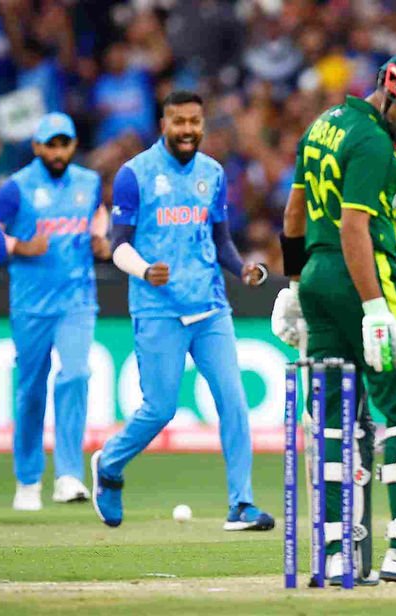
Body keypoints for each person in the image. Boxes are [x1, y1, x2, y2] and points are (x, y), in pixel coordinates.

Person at [270, 51, 396, 586]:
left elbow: (293, 216)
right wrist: (376, 309)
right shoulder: (374, 144)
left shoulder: (323, 127)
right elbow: (354, 229)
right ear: (395, 89)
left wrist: (294, 286)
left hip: (314, 278)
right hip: (367, 277)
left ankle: (339, 556)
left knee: (336, 419)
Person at [91, 91, 274, 531]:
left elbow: (220, 239)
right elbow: (118, 245)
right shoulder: (135, 174)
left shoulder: (212, 173)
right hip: (158, 309)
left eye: (194, 121)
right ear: (163, 123)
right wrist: (143, 269)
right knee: (159, 409)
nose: (188, 130)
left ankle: (241, 504)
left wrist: (242, 268)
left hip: (210, 307)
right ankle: (110, 466)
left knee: (233, 401)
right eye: (179, 122)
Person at [0, 112, 110, 510]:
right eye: (50, 144)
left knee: (76, 374)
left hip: (77, 300)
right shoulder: (16, 188)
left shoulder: (88, 182)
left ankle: (69, 476)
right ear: (38, 146)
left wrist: (99, 238)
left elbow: (98, 214)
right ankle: (27, 480)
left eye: (65, 143)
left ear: (73, 145)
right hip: (31, 304)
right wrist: (20, 247)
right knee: (30, 392)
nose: (58, 151)